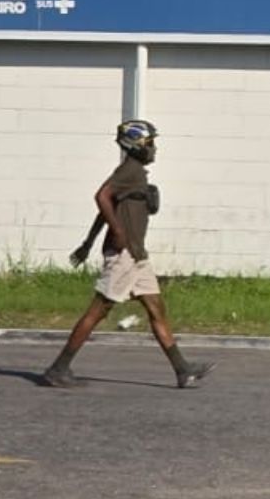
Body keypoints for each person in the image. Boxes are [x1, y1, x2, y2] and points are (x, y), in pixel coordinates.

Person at [38, 119, 213, 390]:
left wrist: (88, 242)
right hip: (124, 256)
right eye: (150, 142)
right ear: (136, 143)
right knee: (98, 311)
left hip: (137, 256)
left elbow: (106, 207)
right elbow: (102, 196)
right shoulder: (129, 170)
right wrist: (117, 231)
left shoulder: (135, 173)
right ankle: (58, 368)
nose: (154, 148)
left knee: (156, 309)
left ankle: (183, 370)